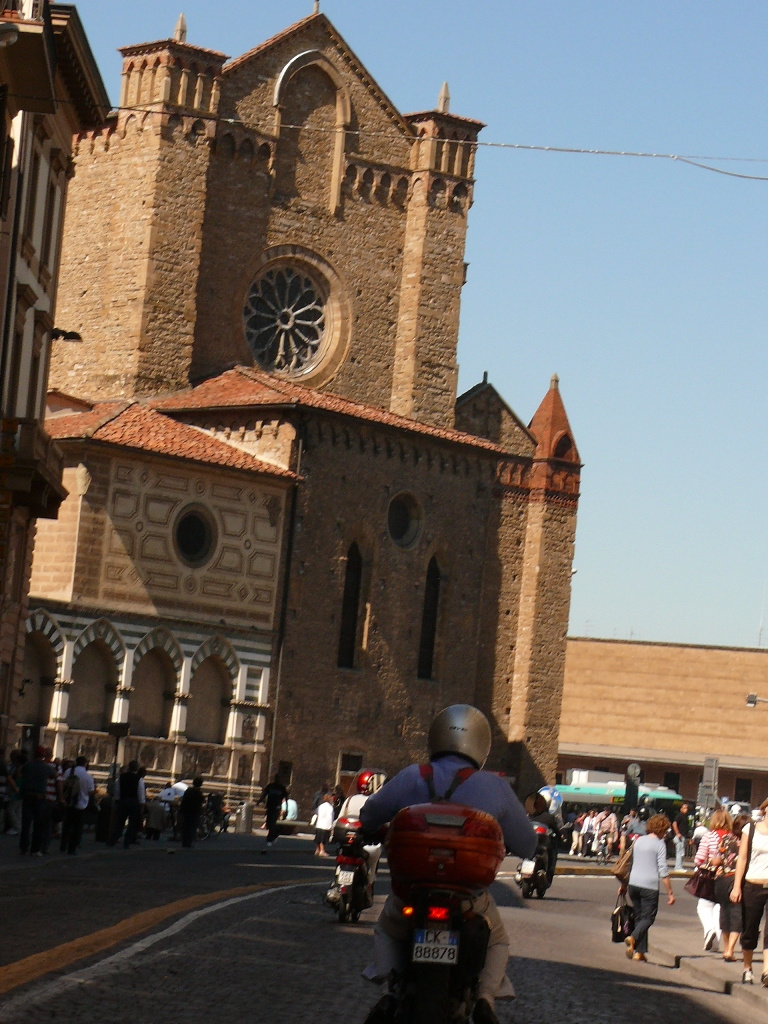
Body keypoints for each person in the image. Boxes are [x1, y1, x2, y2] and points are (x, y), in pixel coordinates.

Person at [360, 704, 536, 1024]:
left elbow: (368, 815)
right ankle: (484, 1000)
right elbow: (528, 844)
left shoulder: (413, 775)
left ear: (437, 737)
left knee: (387, 927)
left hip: (410, 896)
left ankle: (388, 993)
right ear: (480, 744)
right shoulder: (495, 786)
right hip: (469, 901)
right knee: (497, 939)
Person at [621, 813, 675, 962]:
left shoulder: (638, 841)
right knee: (648, 918)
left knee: (639, 918)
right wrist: (670, 892)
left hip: (634, 883)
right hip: (649, 886)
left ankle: (639, 952)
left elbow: (630, 864)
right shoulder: (659, 844)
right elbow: (663, 869)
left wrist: (624, 885)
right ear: (662, 829)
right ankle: (633, 937)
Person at [730, 796, 768, 985]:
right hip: (752, 884)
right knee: (750, 928)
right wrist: (737, 886)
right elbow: (742, 859)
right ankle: (747, 968)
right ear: (765, 808)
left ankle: (766, 971)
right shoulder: (750, 829)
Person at [693, 807, 732, 952]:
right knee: (720, 908)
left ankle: (709, 930)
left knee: (703, 906)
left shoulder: (709, 837)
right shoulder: (733, 837)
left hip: (710, 876)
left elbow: (699, 859)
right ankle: (715, 943)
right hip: (728, 877)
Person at [19, 746, 57, 856]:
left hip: (27, 796)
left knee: (26, 824)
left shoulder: (28, 765)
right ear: (43, 755)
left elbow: (21, 773)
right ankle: (35, 849)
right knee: (38, 824)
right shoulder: (46, 767)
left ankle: (23, 848)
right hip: (40, 797)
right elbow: (54, 775)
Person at [61, 756, 95, 854]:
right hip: (81, 804)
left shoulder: (68, 772)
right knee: (77, 827)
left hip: (68, 802)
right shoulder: (88, 776)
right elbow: (90, 792)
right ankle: (72, 848)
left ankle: (63, 844)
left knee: (67, 825)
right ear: (85, 764)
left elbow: (63, 784)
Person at [112, 760, 146, 849]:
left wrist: (118, 800)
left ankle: (113, 839)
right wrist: (142, 805)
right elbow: (141, 793)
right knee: (132, 824)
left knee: (119, 822)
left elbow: (117, 790)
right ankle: (127, 843)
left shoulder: (121, 777)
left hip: (123, 801)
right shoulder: (139, 779)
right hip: (133, 802)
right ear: (137, 768)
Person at [258, 773, 288, 852]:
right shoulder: (270, 786)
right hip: (270, 806)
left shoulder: (282, 788)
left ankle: (269, 839)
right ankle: (275, 834)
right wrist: (259, 801)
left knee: (272, 823)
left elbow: (286, 798)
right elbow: (264, 794)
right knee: (268, 823)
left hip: (276, 807)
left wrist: (286, 808)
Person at [179, 777, 204, 847]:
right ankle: (188, 843)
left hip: (186, 811)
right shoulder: (198, 793)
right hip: (194, 812)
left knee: (186, 827)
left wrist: (182, 810)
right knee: (192, 828)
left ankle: (184, 842)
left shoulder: (188, 791)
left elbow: (184, 800)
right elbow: (201, 802)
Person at [314, 791, 335, 857]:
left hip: (319, 824)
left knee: (318, 838)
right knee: (323, 839)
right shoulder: (330, 807)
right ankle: (322, 851)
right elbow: (330, 817)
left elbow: (316, 813)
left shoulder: (320, 806)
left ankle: (317, 850)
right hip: (325, 825)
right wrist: (330, 826)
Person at [672, 802, 691, 870]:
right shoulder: (679, 816)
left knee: (681, 852)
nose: (686, 809)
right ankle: (678, 867)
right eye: (684, 808)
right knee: (679, 852)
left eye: (687, 808)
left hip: (683, 836)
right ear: (681, 809)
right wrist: (677, 833)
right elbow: (674, 824)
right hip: (679, 836)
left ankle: (679, 866)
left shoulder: (685, 816)